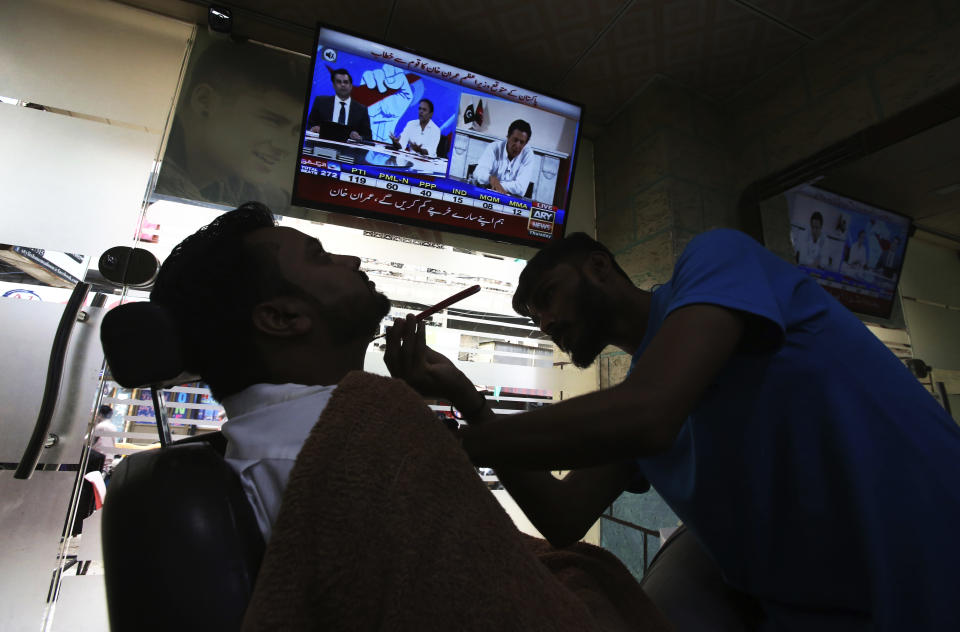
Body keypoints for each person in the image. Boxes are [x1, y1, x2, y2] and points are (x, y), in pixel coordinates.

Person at [384, 229, 960, 631]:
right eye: (536, 317)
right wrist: (464, 398)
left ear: (599, 266)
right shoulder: (642, 393)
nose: (548, 322)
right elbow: (562, 516)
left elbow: (651, 411)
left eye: (548, 297)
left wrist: (459, 443)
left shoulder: (716, 259)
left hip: (934, 567)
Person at [148, 203, 671, 630]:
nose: (350, 260)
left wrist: (433, 419)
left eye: (550, 298)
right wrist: (426, 424)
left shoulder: (275, 452)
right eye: (320, 256)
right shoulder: (361, 436)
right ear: (283, 318)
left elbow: (643, 417)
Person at [155, 35, 308, 213]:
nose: (285, 147)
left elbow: (276, 197)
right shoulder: (162, 178)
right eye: (273, 121)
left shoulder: (232, 177)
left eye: (295, 131)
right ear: (204, 102)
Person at [306, 68, 372, 142]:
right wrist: (313, 128)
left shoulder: (361, 109)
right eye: (339, 82)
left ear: (351, 86)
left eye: (346, 82)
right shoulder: (320, 102)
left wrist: (359, 137)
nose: (342, 85)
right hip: (321, 146)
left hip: (349, 151)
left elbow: (368, 137)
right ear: (333, 85)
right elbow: (308, 127)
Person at [473, 119, 535, 197]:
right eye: (515, 140)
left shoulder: (528, 155)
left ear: (526, 143)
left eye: (522, 142)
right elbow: (478, 172)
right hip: (486, 195)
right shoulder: (493, 147)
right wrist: (490, 178)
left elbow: (521, 188)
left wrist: (497, 184)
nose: (517, 146)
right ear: (508, 136)